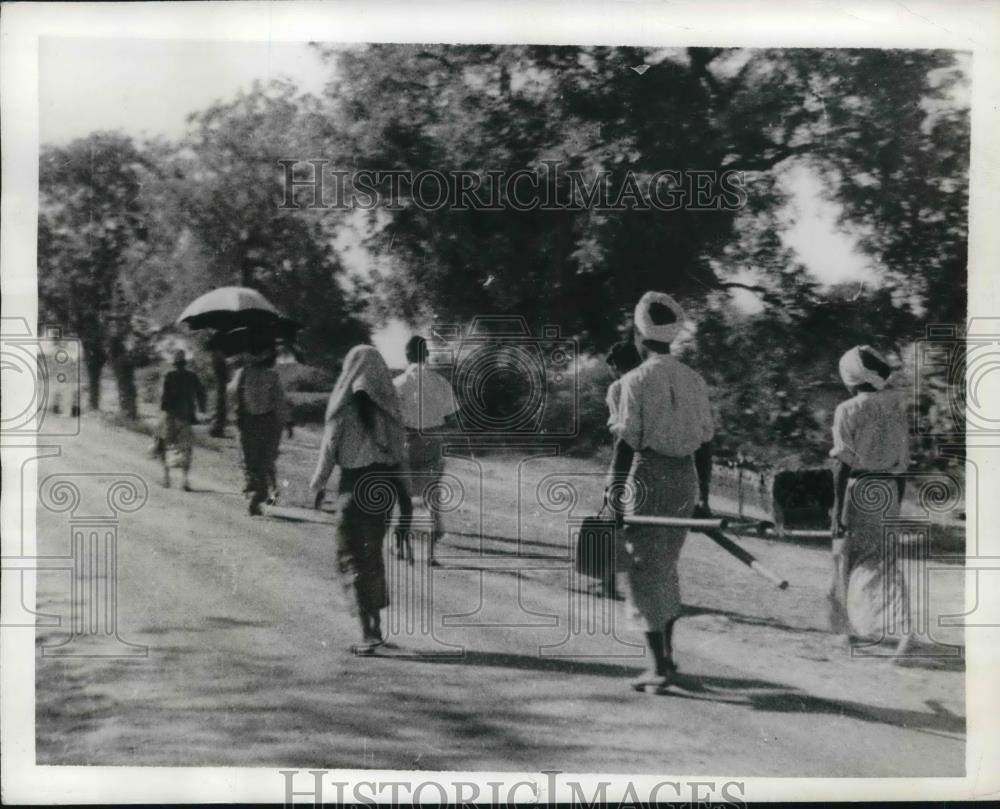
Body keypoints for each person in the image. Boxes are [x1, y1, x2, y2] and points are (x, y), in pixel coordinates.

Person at [607, 291, 715, 693]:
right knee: (664, 568)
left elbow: (626, 444)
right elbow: (706, 444)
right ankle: (666, 659)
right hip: (684, 480)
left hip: (649, 476)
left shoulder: (633, 381)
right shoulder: (694, 379)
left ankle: (659, 667)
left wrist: (612, 497)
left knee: (643, 572)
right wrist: (702, 497)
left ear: (640, 335)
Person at [309, 345, 413, 654]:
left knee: (350, 557)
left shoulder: (342, 407)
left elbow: (328, 452)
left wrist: (318, 485)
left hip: (353, 489)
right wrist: (406, 500)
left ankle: (368, 635)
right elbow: (400, 458)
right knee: (372, 556)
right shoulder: (391, 410)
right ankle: (375, 629)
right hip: (383, 489)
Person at [828, 344, 913, 659]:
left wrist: (838, 514)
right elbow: (902, 462)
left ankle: (851, 629)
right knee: (883, 561)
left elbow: (843, 465)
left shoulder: (849, 410)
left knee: (848, 559)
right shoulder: (896, 406)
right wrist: (896, 504)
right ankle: (901, 625)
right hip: (889, 488)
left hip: (860, 487)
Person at [393, 335, 459, 566]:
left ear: (406, 356)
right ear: (426, 355)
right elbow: (452, 417)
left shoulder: (398, 384)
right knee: (432, 496)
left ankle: (401, 547)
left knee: (403, 496)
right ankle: (431, 555)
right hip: (433, 441)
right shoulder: (441, 383)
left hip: (406, 441)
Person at [231, 336, 288, 516]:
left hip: (249, 421)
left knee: (251, 462)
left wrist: (236, 414)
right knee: (263, 461)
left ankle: (257, 493)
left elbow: (233, 396)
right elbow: (280, 403)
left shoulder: (242, 373)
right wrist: (286, 423)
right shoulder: (271, 375)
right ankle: (259, 495)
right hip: (267, 423)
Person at [157, 350, 207, 491]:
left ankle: (166, 477)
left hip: (170, 416)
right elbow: (201, 392)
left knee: (164, 445)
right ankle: (184, 480)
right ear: (185, 363)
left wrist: (163, 408)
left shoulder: (169, 375)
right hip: (185, 417)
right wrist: (202, 409)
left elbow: (163, 397)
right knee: (186, 448)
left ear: (174, 363)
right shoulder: (192, 376)